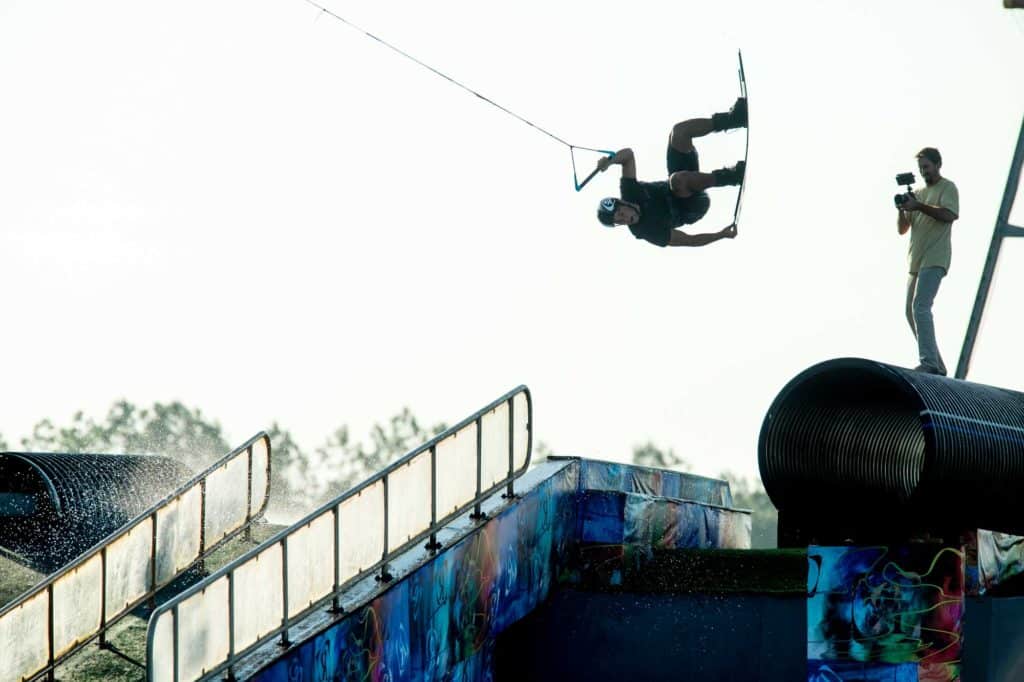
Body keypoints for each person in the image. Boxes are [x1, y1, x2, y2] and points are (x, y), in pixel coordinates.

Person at [594, 98, 747, 248]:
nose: (625, 220)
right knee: (677, 181)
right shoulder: (644, 230)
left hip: (683, 180)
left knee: (679, 132)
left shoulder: (629, 191)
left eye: (621, 214)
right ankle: (733, 176)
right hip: (692, 208)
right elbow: (689, 241)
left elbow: (628, 155)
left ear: (623, 203)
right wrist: (721, 235)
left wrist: (609, 161)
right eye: (620, 222)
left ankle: (734, 119)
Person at [897, 147, 959, 375]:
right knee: (909, 311)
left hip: (935, 257)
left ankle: (929, 363)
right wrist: (903, 209)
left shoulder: (947, 187)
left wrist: (919, 206)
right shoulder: (919, 193)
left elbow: (949, 215)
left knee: (920, 307)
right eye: (921, 168)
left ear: (937, 164)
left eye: (926, 167)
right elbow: (902, 229)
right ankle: (937, 365)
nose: (924, 172)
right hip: (916, 261)